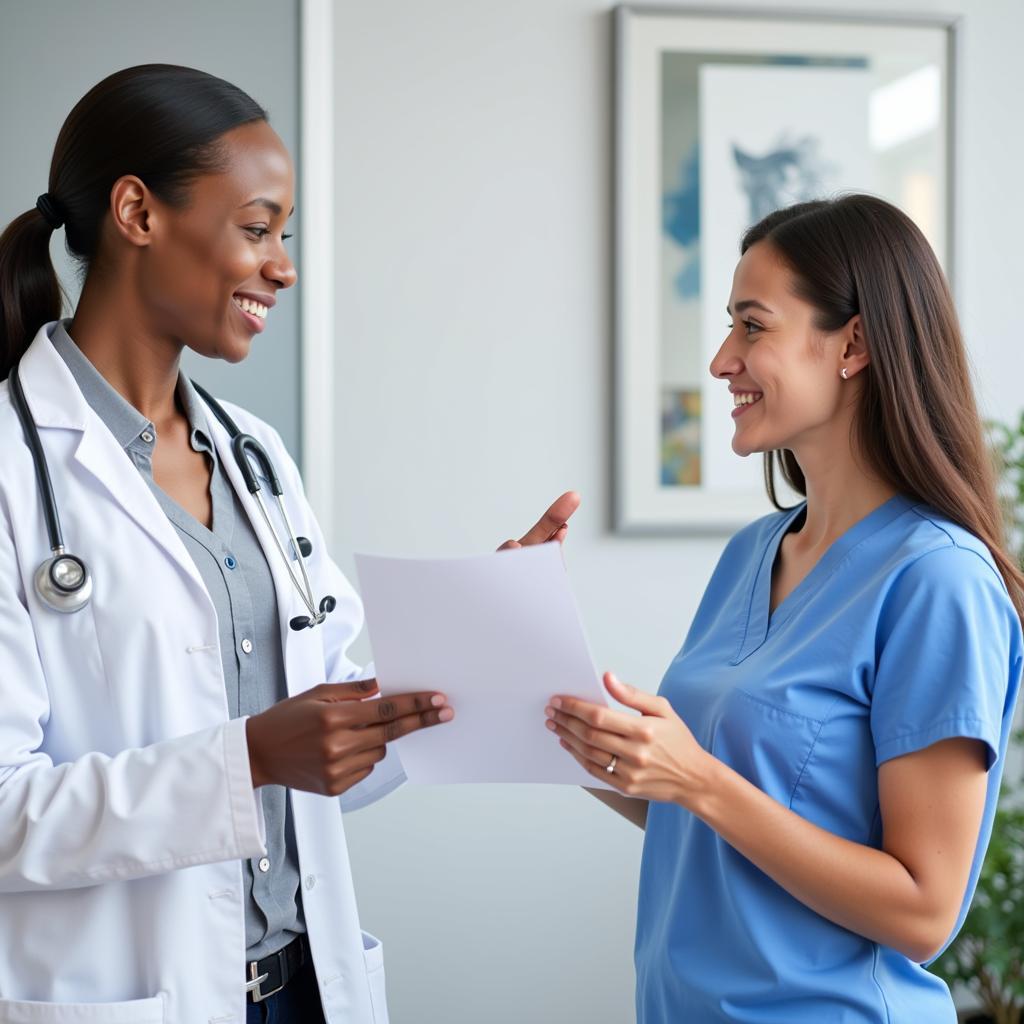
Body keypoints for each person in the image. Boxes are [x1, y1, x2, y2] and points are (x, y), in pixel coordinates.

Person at [0, 64, 579, 1024]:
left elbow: (325, 745)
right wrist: (249, 761)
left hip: (302, 991)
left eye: (285, 235)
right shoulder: (14, 472)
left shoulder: (252, 458)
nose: (284, 266)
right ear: (138, 213)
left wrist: (478, 638)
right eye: (257, 228)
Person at [546, 194, 1024, 1022]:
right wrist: (534, 678)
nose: (722, 360)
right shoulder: (755, 554)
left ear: (855, 344)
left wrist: (696, 780)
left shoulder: (939, 581)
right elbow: (696, 812)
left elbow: (924, 911)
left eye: (752, 326)